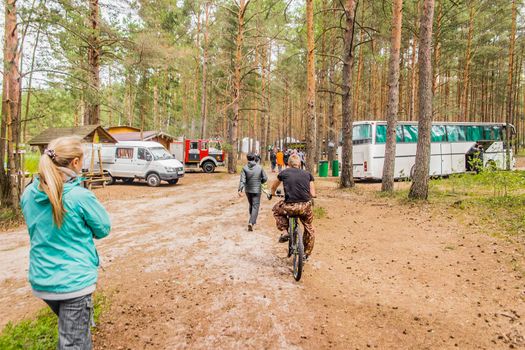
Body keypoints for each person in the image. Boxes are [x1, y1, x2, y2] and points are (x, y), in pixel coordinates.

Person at [20, 136, 111, 350]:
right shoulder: (79, 197)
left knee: (76, 333)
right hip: (74, 283)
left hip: (42, 280)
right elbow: (103, 228)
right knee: (73, 344)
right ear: (76, 163)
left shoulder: (28, 194)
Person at [271, 154, 316, 260]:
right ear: (299, 164)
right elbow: (313, 193)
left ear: (288, 164)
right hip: (305, 207)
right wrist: (312, 195)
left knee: (276, 210)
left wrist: (273, 193)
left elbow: (273, 187)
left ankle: (285, 231)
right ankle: (306, 253)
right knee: (309, 228)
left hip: (290, 206)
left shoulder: (283, 173)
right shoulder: (308, 174)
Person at [238, 152, 268, 231]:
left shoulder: (244, 168)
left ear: (247, 158)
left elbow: (242, 180)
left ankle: (252, 218)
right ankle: (251, 222)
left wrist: (240, 189)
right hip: (257, 190)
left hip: (248, 190)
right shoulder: (259, 167)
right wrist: (260, 182)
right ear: (254, 158)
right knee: (255, 206)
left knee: (251, 204)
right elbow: (265, 178)